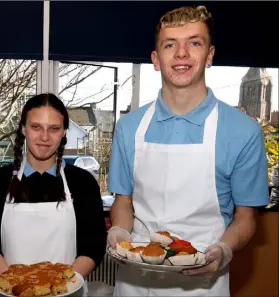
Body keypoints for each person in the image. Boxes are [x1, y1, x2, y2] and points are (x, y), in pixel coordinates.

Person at [107, 5, 270, 297]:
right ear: (156, 60)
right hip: (135, 282)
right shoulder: (129, 127)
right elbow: (124, 201)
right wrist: (118, 232)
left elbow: (246, 218)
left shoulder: (243, 132)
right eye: (170, 44)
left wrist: (224, 249)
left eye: (194, 43)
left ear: (209, 55)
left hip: (204, 284)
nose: (181, 53)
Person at [0, 93, 107, 296]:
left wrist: (58, 288)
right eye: (36, 127)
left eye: (53, 129)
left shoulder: (83, 183)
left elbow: (93, 247)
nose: (44, 137)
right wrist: (20, 287)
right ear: (23, 129)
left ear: (64, 132)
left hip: (67, 291)